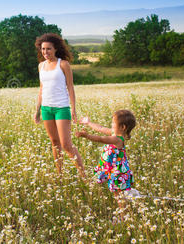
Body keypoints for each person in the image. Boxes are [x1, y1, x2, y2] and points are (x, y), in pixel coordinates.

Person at [33, 33, 86, 178]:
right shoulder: (41, 66)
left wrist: (74, 108)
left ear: (55, 49)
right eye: (43, 49)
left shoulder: (63, 64)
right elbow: (41, 89)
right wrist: (37, 111)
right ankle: (60, 174)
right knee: (54, 142)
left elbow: (70, 87)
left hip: (61, 108)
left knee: (66, 145)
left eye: (48, 49)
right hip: (46, 108)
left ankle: (83, 175)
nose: (45, 52)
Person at [75, 110, 136, 221]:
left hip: (118, 173)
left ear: (123, 127)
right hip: (113, 171)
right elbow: (101, 128)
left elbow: (101, 139)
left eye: (113, 123)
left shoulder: (117, 139)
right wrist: (88, 123)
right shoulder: (115, 134)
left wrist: (87, 135)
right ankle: (123, 213)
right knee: (117, 194)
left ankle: (123, 217)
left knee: (119, 196)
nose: (111, 125)